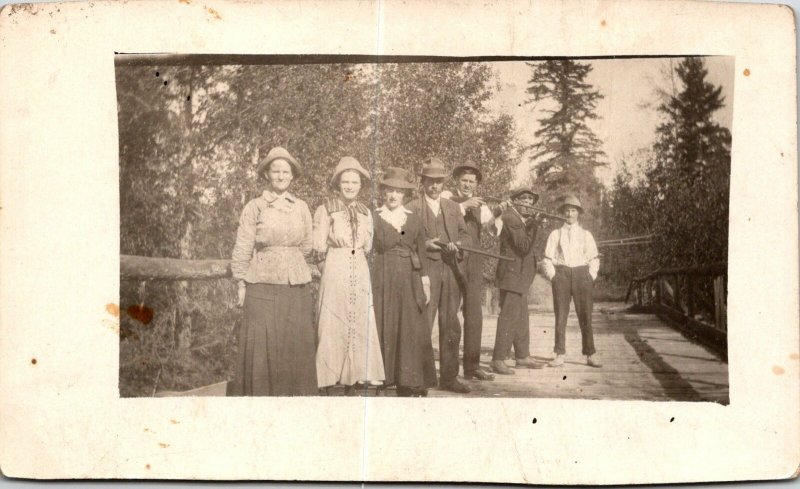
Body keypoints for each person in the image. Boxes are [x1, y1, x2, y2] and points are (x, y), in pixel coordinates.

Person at [229, 146, 317, 396]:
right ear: (267, 174)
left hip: (296, 286)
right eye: (275, 171)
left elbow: (307, 245)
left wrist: (290, 258)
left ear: (292, 176)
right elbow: (244, 245)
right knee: (264, 348)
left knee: (294, 345)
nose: (280, 176)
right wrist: (241, 283)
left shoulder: (301, 207)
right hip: (262, 287)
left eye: (285, 172)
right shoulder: (255, 207)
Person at [313, 157, 385, 394]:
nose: (350, 186)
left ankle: (360, 372)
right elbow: (318, 245)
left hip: (360, 266)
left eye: (354, 182)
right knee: (334, 316)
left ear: (361, 185)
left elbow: (368, 244)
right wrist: (327, 269)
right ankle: (330, 373)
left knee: (360, 316)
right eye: (345, 181)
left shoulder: (365, 212)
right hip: (336, 262)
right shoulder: (326, 209)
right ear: (337, 183)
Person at [407, 157, 472, 394]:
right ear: (422, 182)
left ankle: (449, 377)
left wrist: (458, 244)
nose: (435, 186)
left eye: (439, 182)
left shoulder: (453, 207)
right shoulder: (412, 207)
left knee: (451, 324)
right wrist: (426, 243)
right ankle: (422, 378)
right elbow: (404, 237)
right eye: (430, 181)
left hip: (451, 271)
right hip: (426, 271)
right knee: (424, 323)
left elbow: (467, 236)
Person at [372, 167, 433, 397]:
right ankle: (383, 377)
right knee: (384, 319)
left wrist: (425, 283)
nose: (393, 196)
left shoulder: (413, 219)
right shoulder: (374, 216)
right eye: (389, 190)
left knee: (409, 325)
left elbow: (421, 251)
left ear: (404, 194)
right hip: (383, 274)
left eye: (398, 191)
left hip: (409, 277)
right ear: (383, 192)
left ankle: (408, 379)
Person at [442, 162, 497, 381]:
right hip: (453, 259)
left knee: (474, 313)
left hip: (474, 260)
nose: (467, 184)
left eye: (471, 182)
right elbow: (446, 211)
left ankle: (472, 366)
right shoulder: (446, 196)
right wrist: (465, 204)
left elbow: (491, 229)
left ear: (476, 184)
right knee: (450, 314)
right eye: (464, 180)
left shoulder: (481, 205)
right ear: (457, 181)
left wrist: (499, 212)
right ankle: (450, 371)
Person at [489, 188, 548, 375]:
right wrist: (535, 224)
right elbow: (523, 246)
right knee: (509, 317)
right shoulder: (510, 218)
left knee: (522, 316)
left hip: (520, 276)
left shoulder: (521, 219)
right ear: (515, 201)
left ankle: (522, 356)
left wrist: (532, 223)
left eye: (531, 200)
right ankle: (498, 359)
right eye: (524, 199)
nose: (528, 203)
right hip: (512, 275)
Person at [541, 195, 602, 368]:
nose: (570, 213)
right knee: (560, 315)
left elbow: (594, 258)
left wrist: (590, 277)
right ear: (562, 212)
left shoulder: (586, 234)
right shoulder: (555, 234)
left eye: (573, 210)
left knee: (585, 315)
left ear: (578, 213)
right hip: (562, 275)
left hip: (582, 274)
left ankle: (590, 354)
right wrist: (554, 276)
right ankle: (559, 354)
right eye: (567, 210)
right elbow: (547, 258)